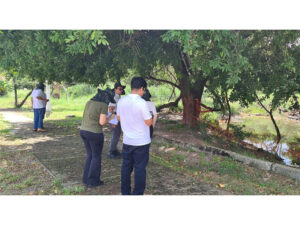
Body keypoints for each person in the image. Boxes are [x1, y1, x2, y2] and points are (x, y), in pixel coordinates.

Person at [117, 77, 152, 195]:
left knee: (126, 167)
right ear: (141, 88)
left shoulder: (121, 101)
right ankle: (137, 193)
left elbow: (118, 118)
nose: (144, 93)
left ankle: (125, 192)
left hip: (127, 141)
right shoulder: (142, 103)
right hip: (141, 142)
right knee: (140, 168)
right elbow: (148, 122)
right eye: (144, 90)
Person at [80, 88, 116, 188]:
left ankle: (85, 179)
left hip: (83, 131)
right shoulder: (103, 105)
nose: (109, 102)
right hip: (95, 133)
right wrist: (110, 118)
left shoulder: (89, 102)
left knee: (89, 155)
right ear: (106, 98)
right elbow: (102, 122)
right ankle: (93, 181)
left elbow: (92, 115)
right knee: (96, 156)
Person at [108, 81, 126, 159]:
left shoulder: (118, 97)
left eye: (121, 89)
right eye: (119, 89)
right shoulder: (114, 97)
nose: (121, 90)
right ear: (115, 89)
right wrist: (112, 121)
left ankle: (114, 150)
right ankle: (111, 152)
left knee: (117, 134)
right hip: (114, 117)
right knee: (115, 135)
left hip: (117, 117)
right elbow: (110, 109)